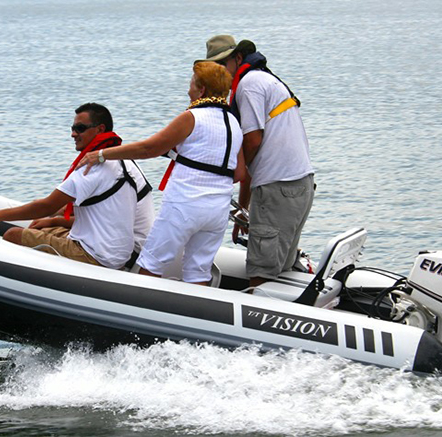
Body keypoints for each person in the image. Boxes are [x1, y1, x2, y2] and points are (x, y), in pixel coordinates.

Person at [77, 62, 245, 285]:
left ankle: (139, 305)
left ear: (202, 89)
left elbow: (149, 149)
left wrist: (101, 155)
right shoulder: (234, 123)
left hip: (185, 204)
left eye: (191, 84)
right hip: (217, 211)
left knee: (151, 263)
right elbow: (239, 173)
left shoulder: (192, 117)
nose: (188, 90)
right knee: (198, 271)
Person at [0, 103, 152, 269]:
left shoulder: (91, 168)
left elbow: (47, 206)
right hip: (117, 253)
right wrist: (53, 219)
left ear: (100, 129)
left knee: (13, 235)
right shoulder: (124, 162)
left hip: (96, 255)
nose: (73, 134)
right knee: (41, 228)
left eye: (80, 128)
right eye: (72, 128)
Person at [198, 35, 315, 287]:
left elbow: (252, 142)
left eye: (223, 64)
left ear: (238, 58)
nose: (220, 72)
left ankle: (257, 304)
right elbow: (255, 159)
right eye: (215, 67)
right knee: (279, 268)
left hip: (278, 188)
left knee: (261, 271)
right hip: (298, 185)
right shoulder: (264, 78)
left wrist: (229, 174)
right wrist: (244, 209)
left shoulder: (248, 84)